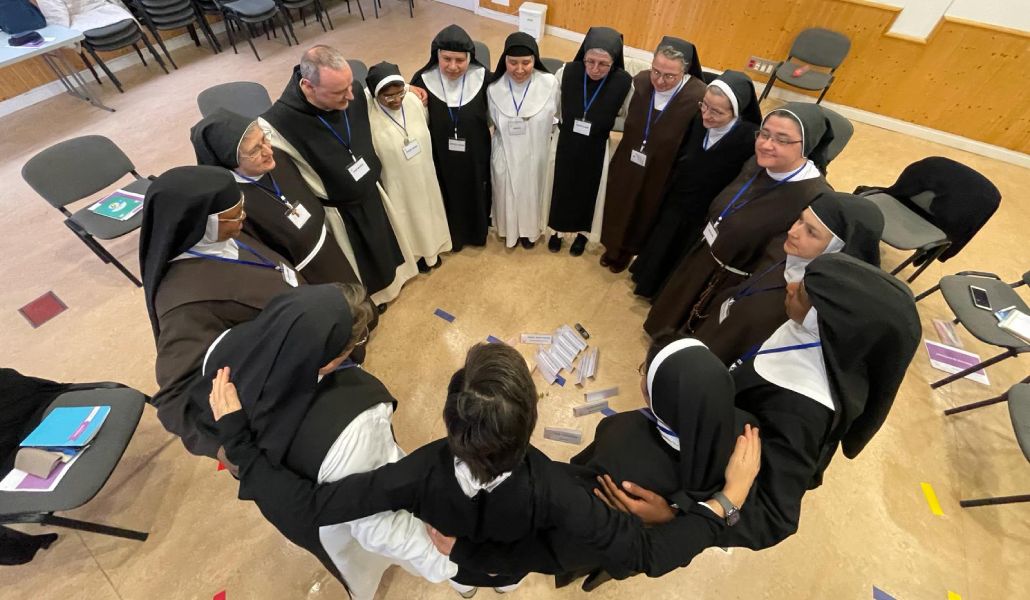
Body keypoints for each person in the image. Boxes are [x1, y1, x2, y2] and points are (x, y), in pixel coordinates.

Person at [211, 342, 762, 594]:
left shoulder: (415, 471)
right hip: (508, 561)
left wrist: (238, 439)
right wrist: (724, 503)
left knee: (462, 577)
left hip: (459, 561)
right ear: (533, 421)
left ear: (449, 418)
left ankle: (473, 585)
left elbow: (312, 507)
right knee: (502, 579)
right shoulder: (560, 488)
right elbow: (647, 553)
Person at [593, 253, 921, 572]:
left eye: (803, 292)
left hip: (691, 490)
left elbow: (774, 517)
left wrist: (679, 515)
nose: (790, 285)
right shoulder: (813, 334)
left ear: (831, 323)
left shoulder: (803, 411)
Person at [199, 285, 455, 600]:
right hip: (333, 518)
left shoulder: (234, 354)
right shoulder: (359, 417)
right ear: (331, 360)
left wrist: (236, 437)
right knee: (361, 559)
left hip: (295, 499)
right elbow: (373, 520)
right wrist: (448, 563)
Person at [139, 166, 302, 458]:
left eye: (241, 209)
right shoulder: (185, 305)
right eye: (233, 216)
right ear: (199, 223)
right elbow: (175, 397)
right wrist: (226, 449)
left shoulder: (220, 237)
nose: (243, 218)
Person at [644, 102, 836, 336]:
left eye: (782, 139)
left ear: (806, 145)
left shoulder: (813, 196)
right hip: (707, 253)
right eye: (764, 134)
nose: (766, 145)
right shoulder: (756, 162)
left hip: (730, 281)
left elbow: (781, 263)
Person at [262, 45, 418, 307]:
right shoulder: (278, 123)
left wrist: (413, 88)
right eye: (338, 92)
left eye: (349, 85)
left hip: (372, 193)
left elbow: (377, 92)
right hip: (341, 212)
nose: (351, 96)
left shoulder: (353, 91)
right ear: (308, 87)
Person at [691, 191, 884, 365]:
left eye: (811, 232)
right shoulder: (787, 255)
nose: (793, 232)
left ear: (837, 250)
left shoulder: (811, 310)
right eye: (800, 220)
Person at [190, 108, 363, 287]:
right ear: (229, 161)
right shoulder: (233, 203)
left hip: (329, 247)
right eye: (255, 150)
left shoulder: (278, 157)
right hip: (305, 277)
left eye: (264, 138)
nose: (268, 151)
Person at [629, 70, 761, 296]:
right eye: (704, 106)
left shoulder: (748, 138)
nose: (706, 115)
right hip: (679, 196)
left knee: (682, 251)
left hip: (705, 209)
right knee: (662, 240)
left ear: (736, 113)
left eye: (717, 112)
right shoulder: (697, 119)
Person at [598, 37, 707, 273]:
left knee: (645, 209)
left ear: (685, 72)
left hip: (662, 168)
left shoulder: (696, 96)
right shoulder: (641, 82)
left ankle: (631, 250)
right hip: (629, 158)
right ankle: (613, 246)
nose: (659, 80)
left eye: (669, 76)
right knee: (619, 202)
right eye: (656, 71)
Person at [544, 27, 633, 256]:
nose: (595, 69)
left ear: (614, 62)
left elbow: (626, 114)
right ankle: (557, 231)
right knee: (561, 186)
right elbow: (551, 105)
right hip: (566, 142)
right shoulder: (567, 72)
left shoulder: (624, 82)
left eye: (603, 64)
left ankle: (582, 235)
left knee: (589, 191)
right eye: (590, 61)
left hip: (596, 147)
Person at [410, 25, 493, 252]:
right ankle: (451, 235)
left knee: (476, 188)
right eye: (446, 59)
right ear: (436, 56)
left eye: (460, 60)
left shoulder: (484, 78)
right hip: (441, 155)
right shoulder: (422, 81)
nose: (453, 67)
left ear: (470, 58)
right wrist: (408, 90)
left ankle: (477, 231)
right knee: (445, 191)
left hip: (476, 153)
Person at [365, 61, 453, 273]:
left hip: (423, 171)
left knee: (429, 208)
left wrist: (409, 89)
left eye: (400, 93)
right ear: (375, 95)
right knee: (407, 215)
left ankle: (434, 249)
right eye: (388, 96)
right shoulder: (368, 113)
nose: (396, 100)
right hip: (397, 179)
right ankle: (417, 255)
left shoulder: (413, 100)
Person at [487, 32, 559, 249]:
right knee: (507, 191)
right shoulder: (494, 88)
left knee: (533, 191)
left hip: (538, 152)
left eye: (526, 63)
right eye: (512, 63)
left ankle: (530, 231)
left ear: (535, 60)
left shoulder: (550, 83)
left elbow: (558, 115)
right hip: (506, 153)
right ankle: (511, 231)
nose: (519, 70)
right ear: (504, 61)